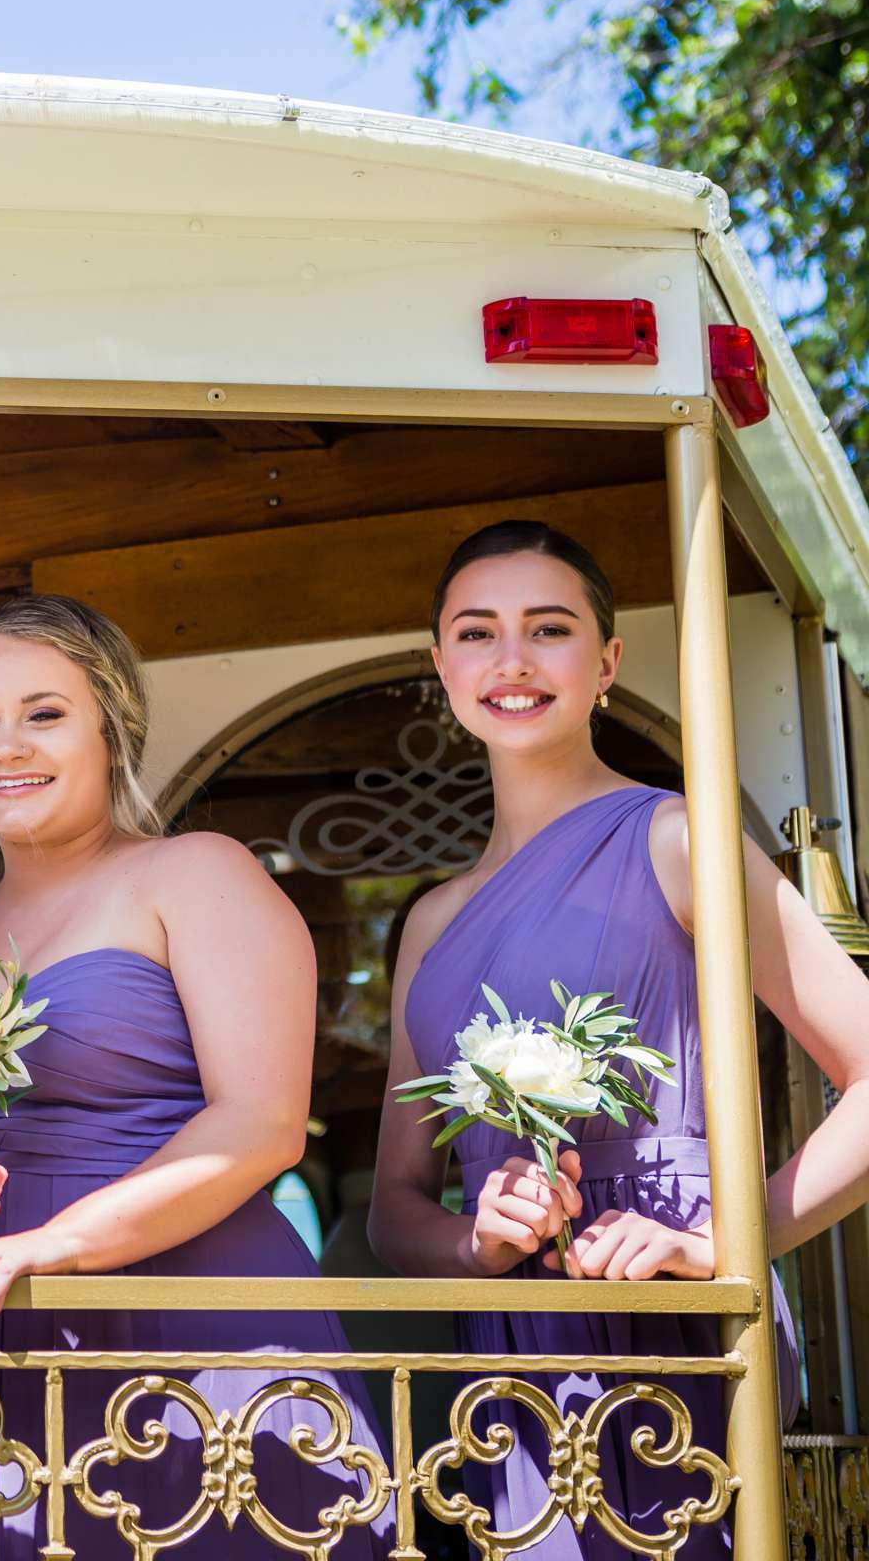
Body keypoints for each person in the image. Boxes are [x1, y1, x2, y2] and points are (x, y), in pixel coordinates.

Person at [373, 520, 867, 1557]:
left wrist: (730, 1241)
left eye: (548, 629)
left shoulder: (678, 840)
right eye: (477, 632)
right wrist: (479, 1240)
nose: (511, 659)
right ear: (441, 666)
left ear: (606, 663)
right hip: (512, 1354)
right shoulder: (427, 923)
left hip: (677, 1316)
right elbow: (393, 1212)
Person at [0, 595, 391, 1560]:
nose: (8, 746)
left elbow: (262, 1126)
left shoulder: (193, 874)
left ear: (112, 727)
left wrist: (51, 1244)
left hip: (205, 1327)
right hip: (19, 1350)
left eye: (44, 714)